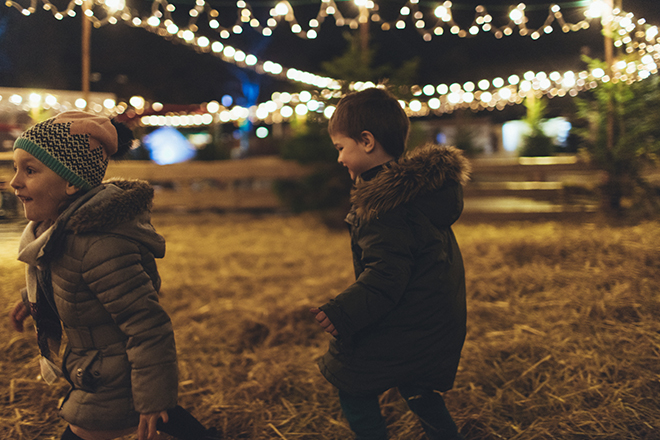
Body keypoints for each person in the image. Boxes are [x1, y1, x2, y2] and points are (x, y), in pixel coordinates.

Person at [8, 111, 219, 440]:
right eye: (15, 168)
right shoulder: (57, 231)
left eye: (30, 170)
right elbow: (67, 276)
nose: (14, 182)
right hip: (95, 364)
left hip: (112, 373)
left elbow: (148, 326)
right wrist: (32, 298)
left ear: (71, 182)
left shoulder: (100, 245)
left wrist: (153, 399)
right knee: (161, 419)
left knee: (90, 427)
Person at [310, 87, 470, 440]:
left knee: (351, 380)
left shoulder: (386, 206)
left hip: (409, 320)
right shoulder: (419, 191)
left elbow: (386, 276)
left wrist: (342, 312)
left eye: (341, 148)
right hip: (433, 316)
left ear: (366, 142)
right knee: (416, 386)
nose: (339, 159)